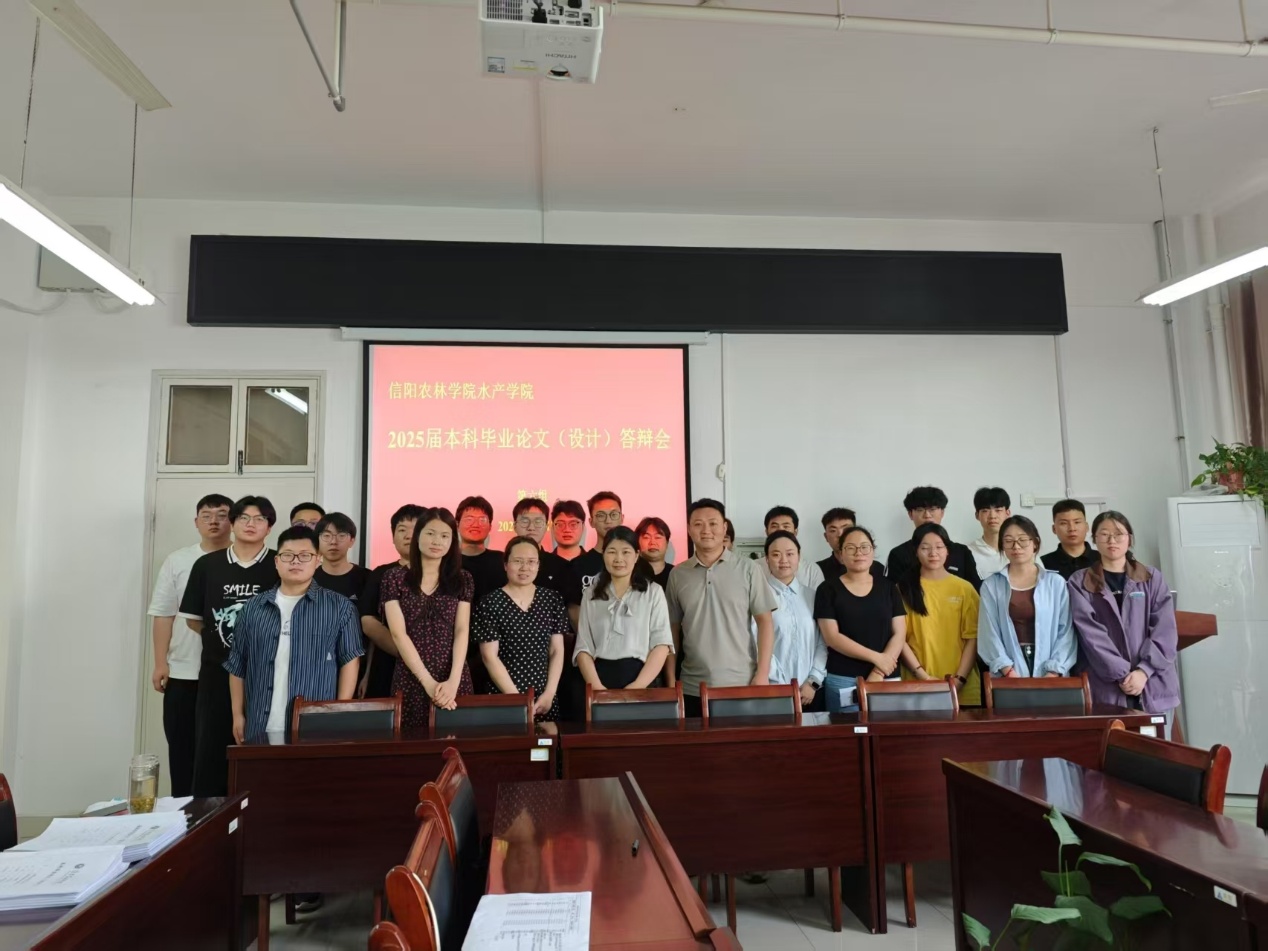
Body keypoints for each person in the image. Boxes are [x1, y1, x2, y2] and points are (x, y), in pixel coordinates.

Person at [178, 496, 280, 797]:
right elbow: (194, 620)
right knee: (211, 749)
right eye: (244, 518)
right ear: (232, 524)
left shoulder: (279, 563)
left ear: (269, 527)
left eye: (259, 519)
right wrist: (223, 641)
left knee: (263, 749)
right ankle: (210, 816)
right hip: (216, 673)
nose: (251, 524)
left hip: (267, 675)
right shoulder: (207, 565)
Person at [225, 526, 363, 741]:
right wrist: (237, 715)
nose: (295, 561)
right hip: (259, 721)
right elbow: (237, 664)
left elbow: (350, 661)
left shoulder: (340, 607)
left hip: (316, 724)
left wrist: (339, 713)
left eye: (305, 555)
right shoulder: (253, 607)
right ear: (277, 561)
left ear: (318, 560)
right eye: (288, 555)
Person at [146, 493, 232, 797]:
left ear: (233, 521)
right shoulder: (178, 560)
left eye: (222, 515)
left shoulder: (243, 561)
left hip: (229, 673)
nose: (214, 521)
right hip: (183, 671)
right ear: (196, 522)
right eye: (206, 515)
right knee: (182, 749)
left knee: (224, 752)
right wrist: (160, 663)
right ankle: (184, 813)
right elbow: (163, 614)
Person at [1068, 511, 1179, 733]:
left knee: (1156, 750)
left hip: (1152, 683)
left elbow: (1164, 630)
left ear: (1130, 538)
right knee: (1111, 750)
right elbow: (1090, 635)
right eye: (1104, 534)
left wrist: (1143, 671)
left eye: (1118, 534)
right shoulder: (1079, 582)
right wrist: (1123, 674)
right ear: (1094, 539)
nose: (1112, 540)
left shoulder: (1151, 578)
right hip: (1106, 687)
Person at [666, 499, 777, 717]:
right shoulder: (678, 575)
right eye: (698, 524)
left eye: (713, 523)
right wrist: (671, 680)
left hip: (741, 683)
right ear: (688, 529)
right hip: (692, 686)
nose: (706, 530)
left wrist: (762, 674)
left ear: (724, 527)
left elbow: (765, 623)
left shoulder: (748, 569)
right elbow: (672, 631)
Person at [383, 508, 475, 727]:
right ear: (418, 536)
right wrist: (427, 682)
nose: (437, 541)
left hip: (453, 676)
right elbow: (398, 634)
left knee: (456, 738)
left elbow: (462, 630)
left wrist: (453, 681)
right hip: (411, 675)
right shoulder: (394, 578)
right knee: (411, 740)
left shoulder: (463, 579)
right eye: (430, 533)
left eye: (444, 536)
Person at [474, 537, 571, 721]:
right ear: (505, 565)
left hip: (544, 698)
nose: (525, 567)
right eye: (518, 561)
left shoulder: (552, 599)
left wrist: (550, 693)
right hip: (505, 696)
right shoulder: (490, 603)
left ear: (538, 565)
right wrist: (518, 699)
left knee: (546, 739)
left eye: (531, 562)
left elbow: (556, 650)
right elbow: (489, 656)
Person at [814, 526, 907, 712]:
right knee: (848, 729)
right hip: (844, 678)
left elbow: (899, 632)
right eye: (851, 548)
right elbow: (832, 637)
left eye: (864, 547)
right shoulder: (827, 589)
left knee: (888, 729)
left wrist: (879, 671)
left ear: (872, 551)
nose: (859, 553)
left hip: (886, 676)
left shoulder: (889, 587)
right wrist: (877, 658)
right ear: (841, 554)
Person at [573, 526, 673, 690]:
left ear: (636, 555)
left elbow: (661, 644)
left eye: (626, 552)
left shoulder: (653, 592)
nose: (618, 558)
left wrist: (638, 686)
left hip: (642, 680)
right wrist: (597, 688)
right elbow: (583, 647)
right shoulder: (591, 593)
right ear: (603, 555)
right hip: (599, 680)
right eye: (612, 552)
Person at [977, 516, 1076, 678]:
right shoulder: (992, 585)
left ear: (1035, 543)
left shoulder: (1055, 583)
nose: (1016, 547)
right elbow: (988, 633)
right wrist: (1007, 671)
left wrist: (1054, 671)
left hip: (1051, 671)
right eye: (1008, 541)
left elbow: (1066, 631)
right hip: (1008, 672)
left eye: (1022, 540)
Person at [895, 523, 982, 705]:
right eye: (925, 548)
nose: (933, 553)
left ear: (947, 550)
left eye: (939, 547)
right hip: (916, 686)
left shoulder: (964, 589)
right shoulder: (903, 589)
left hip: (963, 689)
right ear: (916, 551)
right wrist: (924, 677)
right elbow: (899, 639)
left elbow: (972, 638)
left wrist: (959, 681)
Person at [358, 504, 425, 698]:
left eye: (416, 529)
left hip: (437, 666)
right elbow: (368, 621)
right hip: (388, 665)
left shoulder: (445, 575)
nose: (408, 536)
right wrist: (409, 656)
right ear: (393, 536)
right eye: (402, 530)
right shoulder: (381, 574)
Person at [761, 531, 827, 711]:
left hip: (812, 692)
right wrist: (780, 684)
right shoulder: (759, 597)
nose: (784, 560)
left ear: (799, 557)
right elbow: (756, 644)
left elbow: (823, 642)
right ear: (767, 559)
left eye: (790, 554)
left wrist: (813, 681)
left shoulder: (813, 596)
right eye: (776, 554)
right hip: (774, 691)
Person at [885, 487, 983, 590]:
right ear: (910, 514)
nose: (927, 515)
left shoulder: (961, 552)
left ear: (942, 512)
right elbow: (891, 594)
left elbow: (977, 591)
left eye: (932, 509)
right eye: (920, 509)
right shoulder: (898, 554)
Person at [511, 498, 583, 625]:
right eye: (525, 521)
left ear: (546, 526)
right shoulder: (502, 565)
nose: (531, 527)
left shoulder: (561, 566)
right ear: (515, 525)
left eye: (538, 521)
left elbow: (570, 611)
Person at [761, 506, 825, 591]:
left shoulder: (812, 570)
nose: (780, 530)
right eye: (774, 526)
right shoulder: (754, 567)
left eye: (786, 526)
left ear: (795, 532)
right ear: (766, 532)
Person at [457, 495, 506, 605]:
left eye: (482, 520)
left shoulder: (503, 560)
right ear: (457, 524)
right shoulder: (446, 561)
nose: (475, 525)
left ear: (490, 526)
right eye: (469, 519)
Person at [816, 507, 885, 581]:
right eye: (833, 530)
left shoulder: (879, 569)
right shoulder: (817, 570)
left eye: (846, 529)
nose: (840, 534)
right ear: (826, 537)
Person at [313, 512, 370, 601]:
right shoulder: (309, 579)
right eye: (326, 536)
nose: (333, 542)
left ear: (352, 541)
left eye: (341, 536)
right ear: (317, 541)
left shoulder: (368, 578)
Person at [571, 492, 623, 589]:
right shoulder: (578, 565)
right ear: (591, 522)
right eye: (601, 515)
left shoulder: (634, 563)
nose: (608, 521)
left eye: (613, 514)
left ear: (622, 518)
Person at [1042, 499, 1102, 580]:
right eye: (1064, 523)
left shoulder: (1102, 559)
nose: (1072, 528)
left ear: (1087, 526)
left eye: (1077, 522)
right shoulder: (1043, 564)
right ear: (1054, 529)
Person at [967, 487, 1012, 580]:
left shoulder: (1020, 549)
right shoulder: (968, 552)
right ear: (977, 515)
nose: (992, 516)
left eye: (998, 510)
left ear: (1007, 513)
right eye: (985, 511)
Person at [635, 516, 674, 590]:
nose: (652, 542)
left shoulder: (676, 574)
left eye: (658, 537)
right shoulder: (629, 574)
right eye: (646, 537)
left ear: (667, 543)